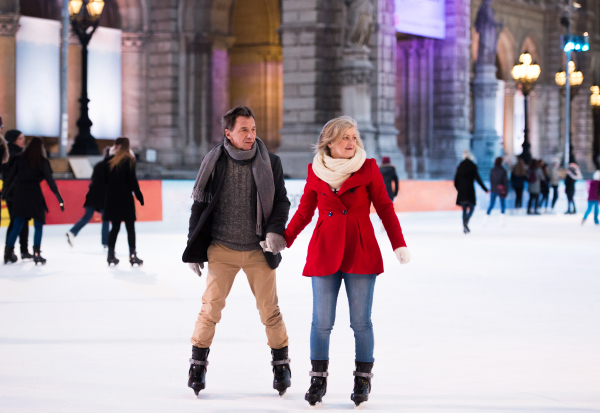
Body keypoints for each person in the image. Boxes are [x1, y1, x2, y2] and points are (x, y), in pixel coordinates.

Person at [283, 116, 411, 407]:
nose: (352, 143)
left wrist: (398, 243)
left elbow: (385, 209)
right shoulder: (316, 171)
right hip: (325, 249)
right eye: (345, 138)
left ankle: (362, 379)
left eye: (354, 137)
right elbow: (304, 212)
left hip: (360, 249)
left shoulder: (368, 168)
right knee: (321, 322)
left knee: (361, 322)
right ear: (329, 142)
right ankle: (318, 378)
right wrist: (284, 239)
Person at [182, 106, 292, 397]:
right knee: (210, 309)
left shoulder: (271, 162)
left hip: (259, 249)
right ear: (228, 133)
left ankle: (281, 364)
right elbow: (200, 206)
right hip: (222, 248)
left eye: (253, 129)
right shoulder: (214, 163)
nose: (250, 135)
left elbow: (281, 201)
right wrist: (193, 250)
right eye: (244, 129)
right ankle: (197, 365)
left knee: (270, 311)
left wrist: (274, 230)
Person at [2, 137, 64, 264]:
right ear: (41, 147)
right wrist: (59, 198)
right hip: (34, 194)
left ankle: (8, 252)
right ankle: (37, 253)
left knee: (17, 223)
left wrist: (4, 193)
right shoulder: (41, 161)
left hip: (20, 193)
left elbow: (10, 177)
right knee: (38, 224)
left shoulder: (19, 158)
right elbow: (50, 181)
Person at [103, 137, 144, 266]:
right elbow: (133, 181)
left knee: (114, 227)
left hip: (112, 198)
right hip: (125, 198)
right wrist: (139, 196)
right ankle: (132, 255)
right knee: (130, 228)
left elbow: (104, 180)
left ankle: (110, 255)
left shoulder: (108, 160)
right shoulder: (129, 160)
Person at [66, 148, 110, 248]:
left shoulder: (98, 165)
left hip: (92, 195)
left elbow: (93, 179)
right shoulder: (111, 167)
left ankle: (72, 231)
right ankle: (105, 242)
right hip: (103, 197)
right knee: (106, 219)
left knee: (87, 216)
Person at [2, 129, 33, 260]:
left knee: (21, 220)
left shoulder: (14, 153)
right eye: (21, 138)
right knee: (17, 220)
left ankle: (21, 250)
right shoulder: (12, 154)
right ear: (14, 140)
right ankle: (10, 251)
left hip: (14, 192)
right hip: (15, 193)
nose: (23, 140)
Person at [454, 150, 488, 234]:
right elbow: (478, 179)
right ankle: (466, 222)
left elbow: (455, 181)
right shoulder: (473, 166)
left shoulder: (460, 166)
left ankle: (464, 225)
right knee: (472, 208)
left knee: (464, 209)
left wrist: (459, 189)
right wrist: (485, 189)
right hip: (470, 190)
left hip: (462, 191)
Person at [485, 157, 508, 224]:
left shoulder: (492, 170)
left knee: (491, 205)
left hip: (493, 189)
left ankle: (486, 220)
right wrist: (505, 190)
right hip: (501, 190)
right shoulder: (503, 170)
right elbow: (505, 182)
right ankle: (502, 221)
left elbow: (491, 180)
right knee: (502, 205)